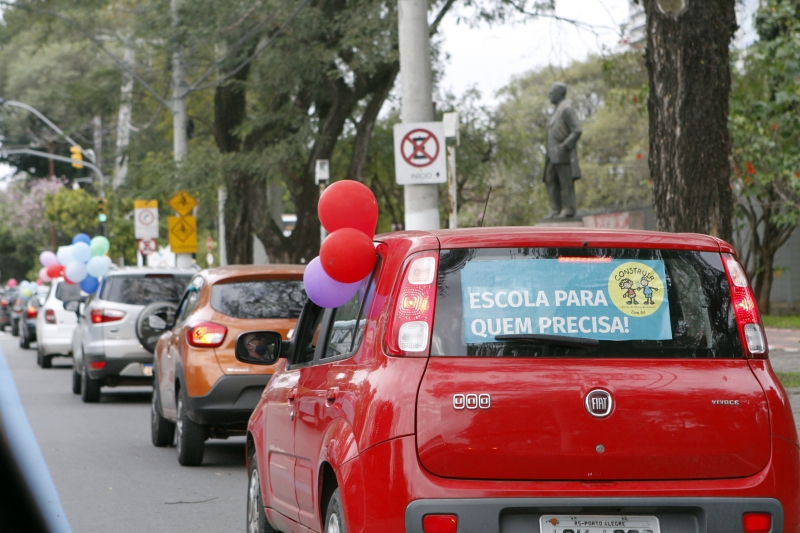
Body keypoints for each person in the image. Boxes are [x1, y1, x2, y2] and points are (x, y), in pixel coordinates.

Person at [543, 82, 583, 218]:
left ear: (559, 94)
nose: (550, 95)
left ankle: (568, 209)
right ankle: (555, 209)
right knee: (550, 180)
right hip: (551, 155)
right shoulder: (556, 110)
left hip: (562, 154)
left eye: (552, 92)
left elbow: (577, 130)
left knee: (565, 182)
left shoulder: (566, 109)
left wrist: (565, 146)